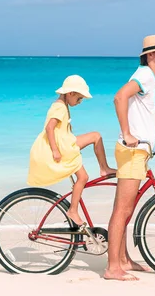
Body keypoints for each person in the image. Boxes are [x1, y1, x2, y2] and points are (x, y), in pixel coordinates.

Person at [104, 35, 155, 281]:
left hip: (137, 152)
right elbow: (119, 96)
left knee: (126, 210)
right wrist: (127, 133)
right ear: (151, 54)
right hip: (132, 151)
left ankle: (123, 259)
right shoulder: (144, 75)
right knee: (122, 210)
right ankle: (113, 267)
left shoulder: (147, 77)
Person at [27, 75, 116, 230]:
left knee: (96, 136)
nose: (80, 102)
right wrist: (55, 150)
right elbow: (49, 127)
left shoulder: (62, 105)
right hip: (63, 148)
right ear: (70, 93)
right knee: (83, 177)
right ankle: (73, 210)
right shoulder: (60, 107)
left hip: (67, 142)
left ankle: (104, 168)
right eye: (79, 98)